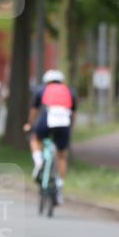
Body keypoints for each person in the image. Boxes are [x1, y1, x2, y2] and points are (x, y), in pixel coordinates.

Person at [23, 69, 76, 204]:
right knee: (62, 155)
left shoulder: (42, 90)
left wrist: (30, 124)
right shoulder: (70, 91)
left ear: (46, 81)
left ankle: (39, 161)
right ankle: (59, 185)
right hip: (64, 121)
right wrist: (71, 128)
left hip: (48, 118)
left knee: (35, 139)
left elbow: (34, 110)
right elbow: (73, 113)